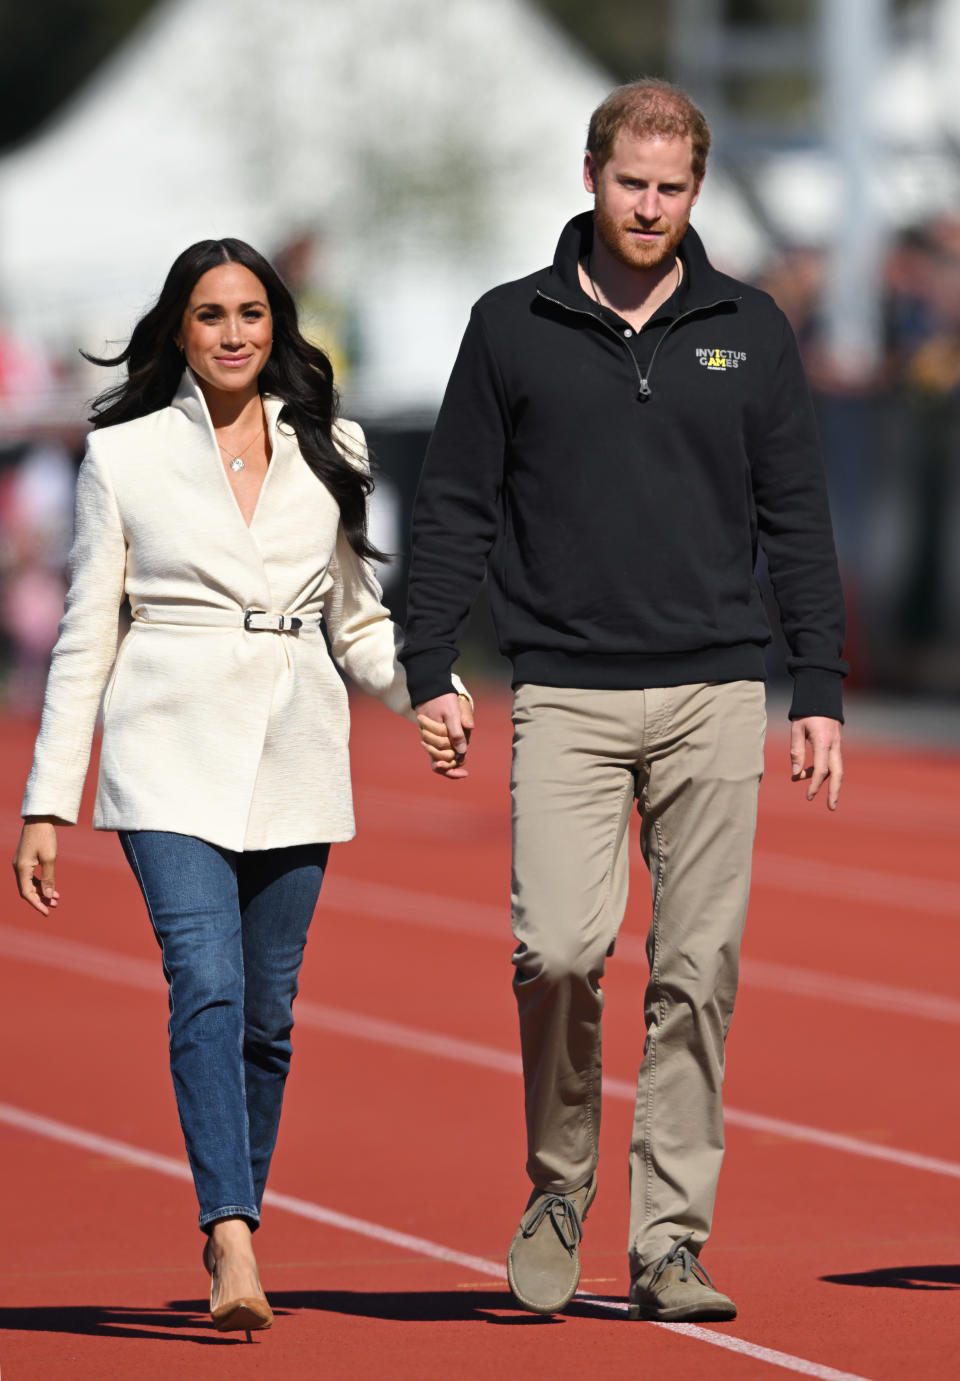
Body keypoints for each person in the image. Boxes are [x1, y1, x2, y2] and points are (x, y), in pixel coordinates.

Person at [403, 80, 846, 1322]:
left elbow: (797, 520)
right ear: (590, 174)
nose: (649, 207)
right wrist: (428, 664)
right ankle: (558, 1185)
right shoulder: (511, 325)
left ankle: (668, 1240)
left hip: (717, 689)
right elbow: (450, 508)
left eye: (672, 188)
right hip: (565, 690)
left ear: (696, 192)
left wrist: (820, 686)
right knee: (557, 951)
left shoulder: (752, 329)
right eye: (630, 183)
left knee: (696, 972)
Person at [12, 239, 470, 1338]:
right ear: (180, 328)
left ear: (278, 326)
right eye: (211, 314)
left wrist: (428, 697)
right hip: (165, 744)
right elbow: (85, 635)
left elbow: (358, 617)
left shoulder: (336, 445)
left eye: (252, 313)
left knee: (269, 1016)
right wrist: (45, 800)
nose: (232, 333)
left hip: (297, 747)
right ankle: (231, 1232)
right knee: (205, 983)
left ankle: (237, 1204)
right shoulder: (121, 455)